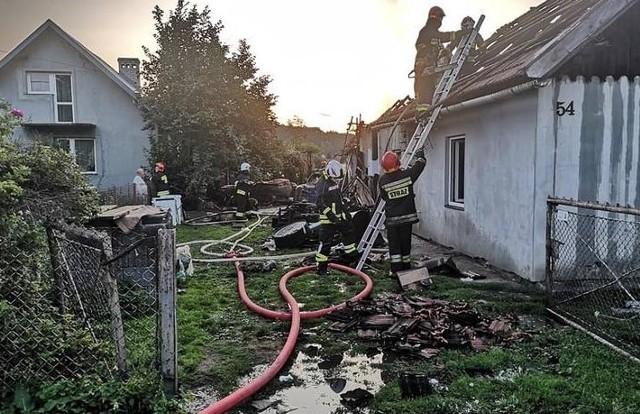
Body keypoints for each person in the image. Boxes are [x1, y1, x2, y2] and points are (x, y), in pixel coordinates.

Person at [378, 147, 426, 276]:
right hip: (406, 219)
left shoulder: (382, 180)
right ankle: (406, 269)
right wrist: (420, 154)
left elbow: (384, 197)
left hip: (392, 220)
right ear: (398, 163)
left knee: (394, 247)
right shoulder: (407, 175)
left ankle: (395, 272)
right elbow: (420, 165)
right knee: (405, 245)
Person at [413, 6, 464, 120]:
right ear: (436, 17)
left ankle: (423, 112)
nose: (441, 21)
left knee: (428, 90)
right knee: (425, 90)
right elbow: (443, 36)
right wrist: (460, 33)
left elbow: (439, 41)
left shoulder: (430, 31)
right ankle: (423, 113)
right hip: (425, 65)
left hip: (426, 66)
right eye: (441, 17)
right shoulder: (428, 30)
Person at [315, 160, 359, 274]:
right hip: (328, 221)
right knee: (325, 243)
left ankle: (352, 258)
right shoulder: (322, 184)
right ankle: (321, 267)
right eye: (335, 178)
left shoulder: (333, 181)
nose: (337, 181)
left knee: (349, 232)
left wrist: (346, 212)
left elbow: (338, 200)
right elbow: (320, 204)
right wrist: (331, 216)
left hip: (339, 217)